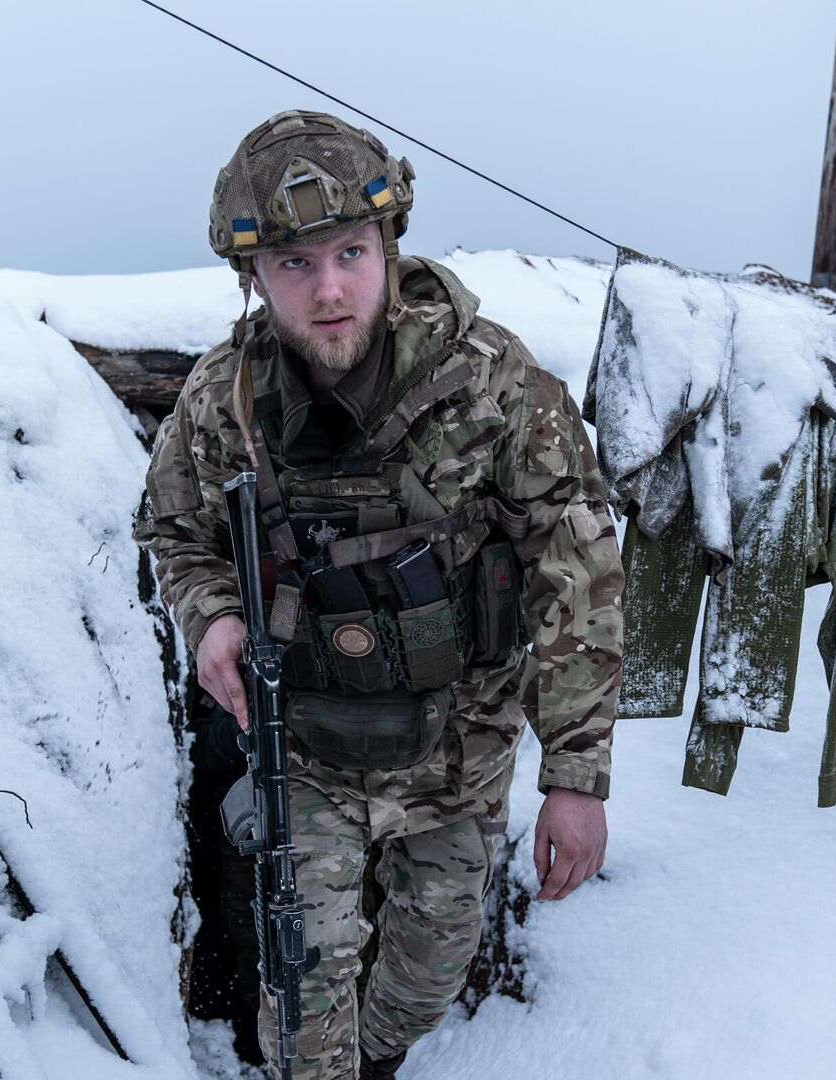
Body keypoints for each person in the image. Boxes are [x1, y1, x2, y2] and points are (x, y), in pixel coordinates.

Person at [136, 109, 623, 1080]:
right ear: (252, 277)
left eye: (351, 253)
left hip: (459, 746)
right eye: (293, 265)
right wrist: (214, 618)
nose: (328, 291)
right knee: (302, 1005)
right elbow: (175, 530)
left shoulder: (492, 385)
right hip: (306, 743)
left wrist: (576, 778)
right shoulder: (222, 402)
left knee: (427, 971)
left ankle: (377, 1056)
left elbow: (576, 564)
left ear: (390, 245)